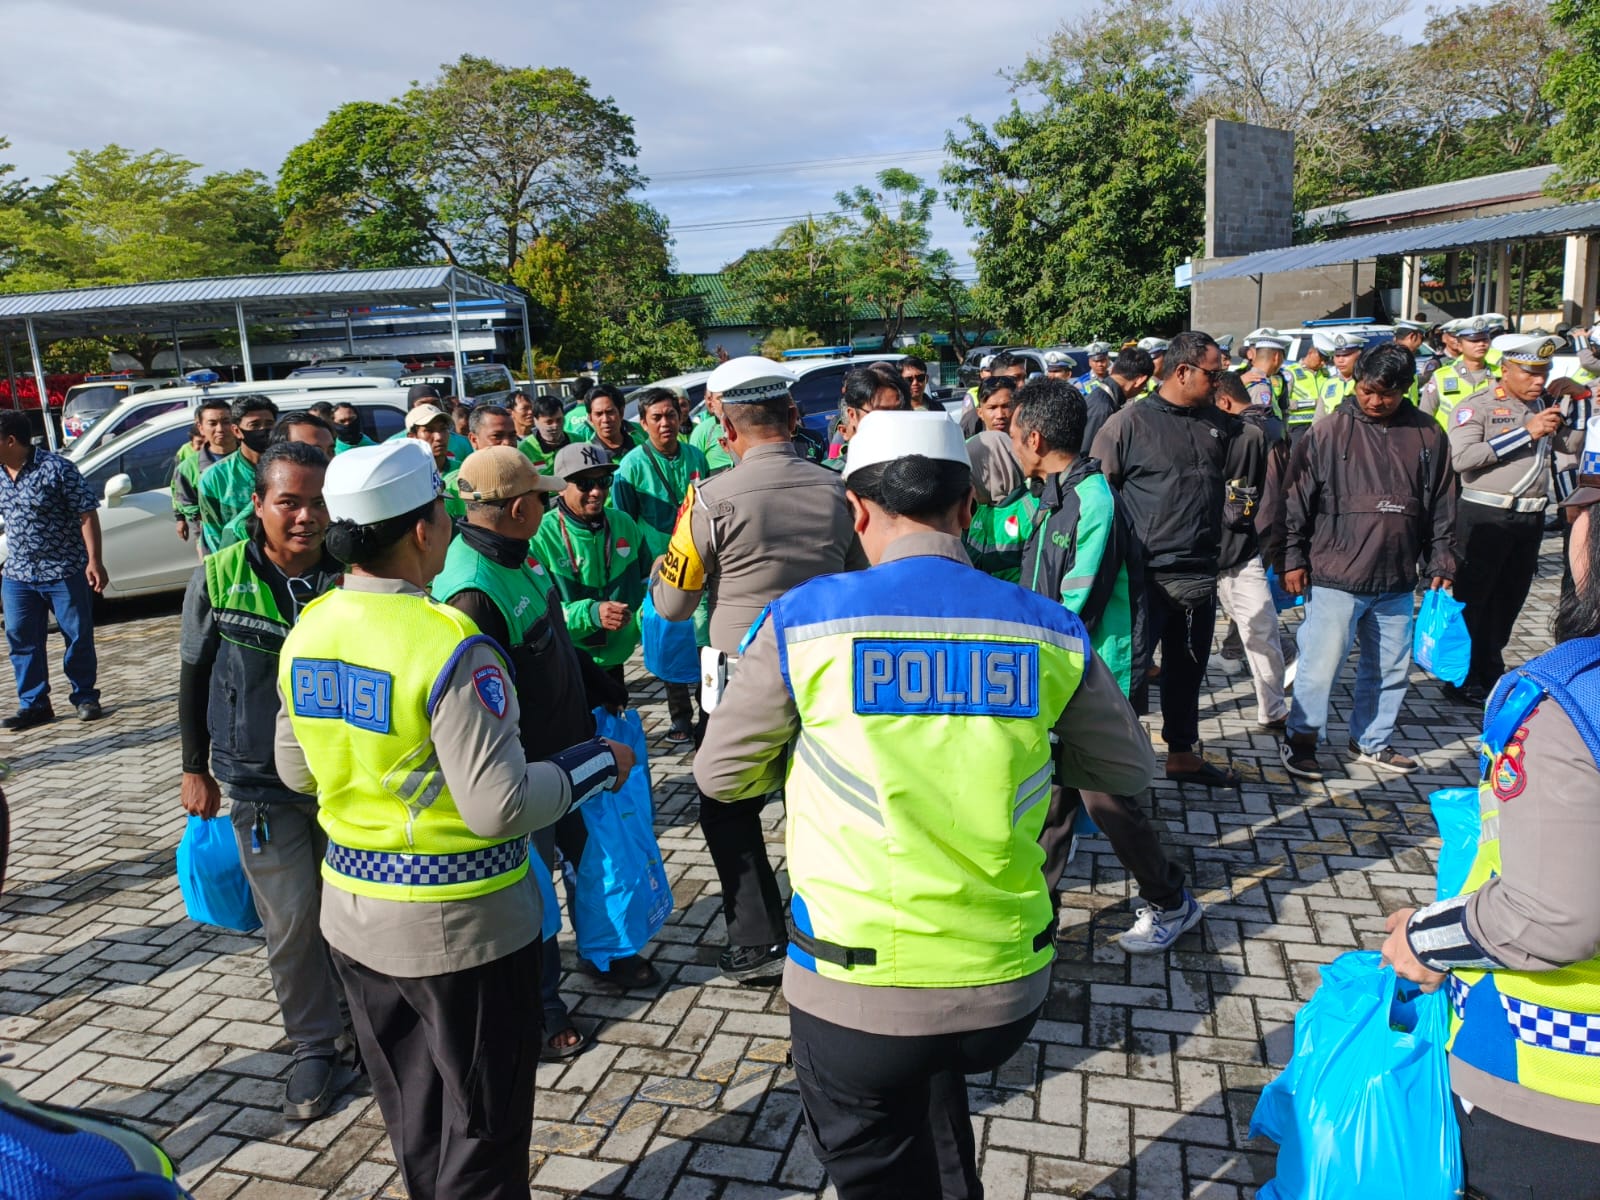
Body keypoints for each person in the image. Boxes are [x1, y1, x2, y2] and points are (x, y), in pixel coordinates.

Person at [693, 410, 1157, 1197]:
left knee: (876, 1166)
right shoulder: (1046, 627)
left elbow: (722, 777)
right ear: (969, 507)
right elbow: (1127, 767)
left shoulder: (803, 622)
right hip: (1004, 986)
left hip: (854, 986)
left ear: (856, 510)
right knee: (939, 1115)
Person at [273, 440, 632, 1200]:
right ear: (422, 529)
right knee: (484, 1135)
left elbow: (295, 770)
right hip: (463, 927)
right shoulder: (449, 643)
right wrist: (597, 764)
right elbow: (500, 805)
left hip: (355, 917)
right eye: (443, 512)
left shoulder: (311, 626)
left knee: (417, 1117)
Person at [1379, 424, 1600, 1199]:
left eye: (1583, 509)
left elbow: (1549, 916)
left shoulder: (1569, 703)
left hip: (1558, 1092)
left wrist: (1423, 938)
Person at [650, 356, 865, 980]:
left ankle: (758, 939)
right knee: (822, 799)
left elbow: (672, 605)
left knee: (726, 803)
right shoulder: (839, 489)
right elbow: (860, 577)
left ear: (726, 430)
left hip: (739, 677)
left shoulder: (709, 499)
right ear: (793, 417)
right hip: (827, 671)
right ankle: (830, 926)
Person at [431, 447, 646, 1048]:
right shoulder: (470, 591)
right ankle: (542, 1002)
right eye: (541, 497)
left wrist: (593, 679)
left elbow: (548, 637)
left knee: (588, 862)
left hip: (570, 749)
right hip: (527, 770)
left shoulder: (516, 556)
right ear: (519, 508)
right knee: (531, 891)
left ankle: (603, 954)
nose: (549, 506)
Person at [178, 441, 347, 1119]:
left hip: (345, 780)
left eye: (318, 503)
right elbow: (193, 676)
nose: (306, 517)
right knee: (293, 921)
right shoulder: (219, 575)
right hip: (257, 785)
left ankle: (367, 1022)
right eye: (289, 502)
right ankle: (314, 1044)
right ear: (258, 503)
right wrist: (194, 768)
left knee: (356, 913)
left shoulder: (351, 573)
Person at [1012, 379, 1201, 952]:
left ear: (1035, 438)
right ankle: (1039, 921)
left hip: (1092, 677)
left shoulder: (1093, 502)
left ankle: (1171, 901)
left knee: (1106, 800)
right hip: (1058, 673)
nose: (1011, 443)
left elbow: (1078, 604)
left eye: (1014, 433)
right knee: (1053, 805)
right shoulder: (1054, 495)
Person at [1278, 343, 1457, 779]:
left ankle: (1372, 740)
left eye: (1387, 394)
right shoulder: (1328, 432)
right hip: (1335, 574)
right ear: (1356, 383)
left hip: (1397, 577)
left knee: (1390, 669)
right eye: (1367, 391)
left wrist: (1441, 560)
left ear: (1406, 388)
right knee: (1319, 668)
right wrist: (1291, 557)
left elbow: (1443, 503)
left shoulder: (1428, 433)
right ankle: (1301, 740)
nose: (1375, 401)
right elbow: (1295, 500)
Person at [1092, 330, 1252, 788]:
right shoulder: (1128, 424)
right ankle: (1114, 768)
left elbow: (1251, 455)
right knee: (1129, 673)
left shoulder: (1217, 422)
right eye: (1213, 374)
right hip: (1143, 579)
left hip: (1198, 572)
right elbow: (1097, 495)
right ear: (1182, 371)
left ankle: (1181, 753)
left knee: (1187, 670)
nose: (1219, 382)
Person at [1446, 333, 1591, 704]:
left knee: (1509, 599)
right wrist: (1526, 432)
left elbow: (1569, 447)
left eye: (1544, 371)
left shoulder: (1546, 404)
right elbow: (1462, 459)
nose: (1539, 380)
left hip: (1530, 518)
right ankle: (1460, 677)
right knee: (1473, 599)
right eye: (1530, 372)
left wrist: (1580, 400)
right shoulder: (1477, 406)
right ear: (1505, 369)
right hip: (1485, 515)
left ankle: (1489, 668)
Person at [0, 410, 108, 728]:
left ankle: (85, 696)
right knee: (21, 638)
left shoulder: (57, 468)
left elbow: (87, 513)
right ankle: (34, 704)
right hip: (18, 574)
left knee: (77, 636)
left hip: (64, 570)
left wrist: (94, 560)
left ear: (10, 440)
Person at [530, 444, 650, 687]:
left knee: (614, 710)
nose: (596, 492)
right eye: (584, 484)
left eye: (603, 481)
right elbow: (536, 612)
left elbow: (647, 582)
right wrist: (591, 614)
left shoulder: (624, 523)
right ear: (560, 486)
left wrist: (646, 614)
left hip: (617, 656)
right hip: (566, 659)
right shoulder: (539, 535)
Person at [1209, 372, 1289, 729]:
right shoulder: (1273, 427)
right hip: (1240, 543)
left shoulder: (1247, 434)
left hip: (1239, 544)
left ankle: (1274, 706)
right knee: (1255, 623)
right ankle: (1272, 704)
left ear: (1224, 402)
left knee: (1258, 624)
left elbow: (1247, 497)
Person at [198, 395, 279, 553]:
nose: (263, 430)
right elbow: (213, 534)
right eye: (255, 425)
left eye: (269, 424)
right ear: (236, 431)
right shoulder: (215, 477)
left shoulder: (290, 469)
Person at [963, 430, 1036, 583]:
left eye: (973, 476)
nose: (970, 487)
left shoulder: (1030, 510)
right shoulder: (982, 509)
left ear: (993, 470)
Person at [173, 398, 236, 548]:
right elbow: (187, 504)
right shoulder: (188, 468)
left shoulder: (253, 457)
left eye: (226, 422)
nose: (220, 429)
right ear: (200, 428)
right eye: (212, 423)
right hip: (214, 543)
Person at [828, 366, 910, 473]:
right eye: (880, 414)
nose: (892, 422)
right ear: (852, 415)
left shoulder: (917, 470)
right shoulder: (829, 475)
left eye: (899, 413)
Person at [443, 404, 519, 520]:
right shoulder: (452, 488)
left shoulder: (526, 476)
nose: (507, 443)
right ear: (474, 440)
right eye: (497, 436)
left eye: (512, 436)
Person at [1421, 317, 1495, 430]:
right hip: (1448, 440)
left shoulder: (1500, 375)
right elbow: (1425, 417)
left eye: (1485, 339)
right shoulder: (1441, 377)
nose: (1481, 344)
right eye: (1474, 340)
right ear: (1459, 345)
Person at [1080, 346, 1153, 454]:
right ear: (1140, 380)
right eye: (1144, 385)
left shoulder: (1105, 398)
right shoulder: (1103, 409)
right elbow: (1087, 454)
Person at [960, 351, 1027, 437]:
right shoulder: (972, 420)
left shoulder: (1030, 412)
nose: (1022, 384)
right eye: (1015, 378)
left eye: (1024, 378)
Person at [1283, 334, 1331, 441]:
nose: (1323, 363)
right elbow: (1285, 403)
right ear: (1311, 353)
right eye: (1321, 358)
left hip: (1321, 424)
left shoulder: (1325, 374)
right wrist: (1313, 403)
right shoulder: (1291, 372)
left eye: (1326, 360)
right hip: (1298, 426)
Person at [580, 384, 647, 458]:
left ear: (621, 412)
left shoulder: (641, 442)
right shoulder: (587, 455)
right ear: (590, 418)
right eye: (599, 414)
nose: (605, 420)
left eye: (610, 412)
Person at [1316, 332, 1367, 421]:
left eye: (1346, 355)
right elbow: (1318, 419)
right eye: (1337, 355)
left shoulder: (1368, 381)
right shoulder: (1328, 383)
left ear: (1360, 355)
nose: (1340, 360)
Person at [518, 393, 571, 475]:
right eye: (549, 422)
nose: (555, 426)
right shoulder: (525, 449)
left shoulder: (578, 441)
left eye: (559, 420)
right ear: (536, 421)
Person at [405, 404, 456, 478]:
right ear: (412, 437)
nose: (439, 437)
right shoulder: (405, 476)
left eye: (443, 429)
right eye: (429, 430)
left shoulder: (462, 471)